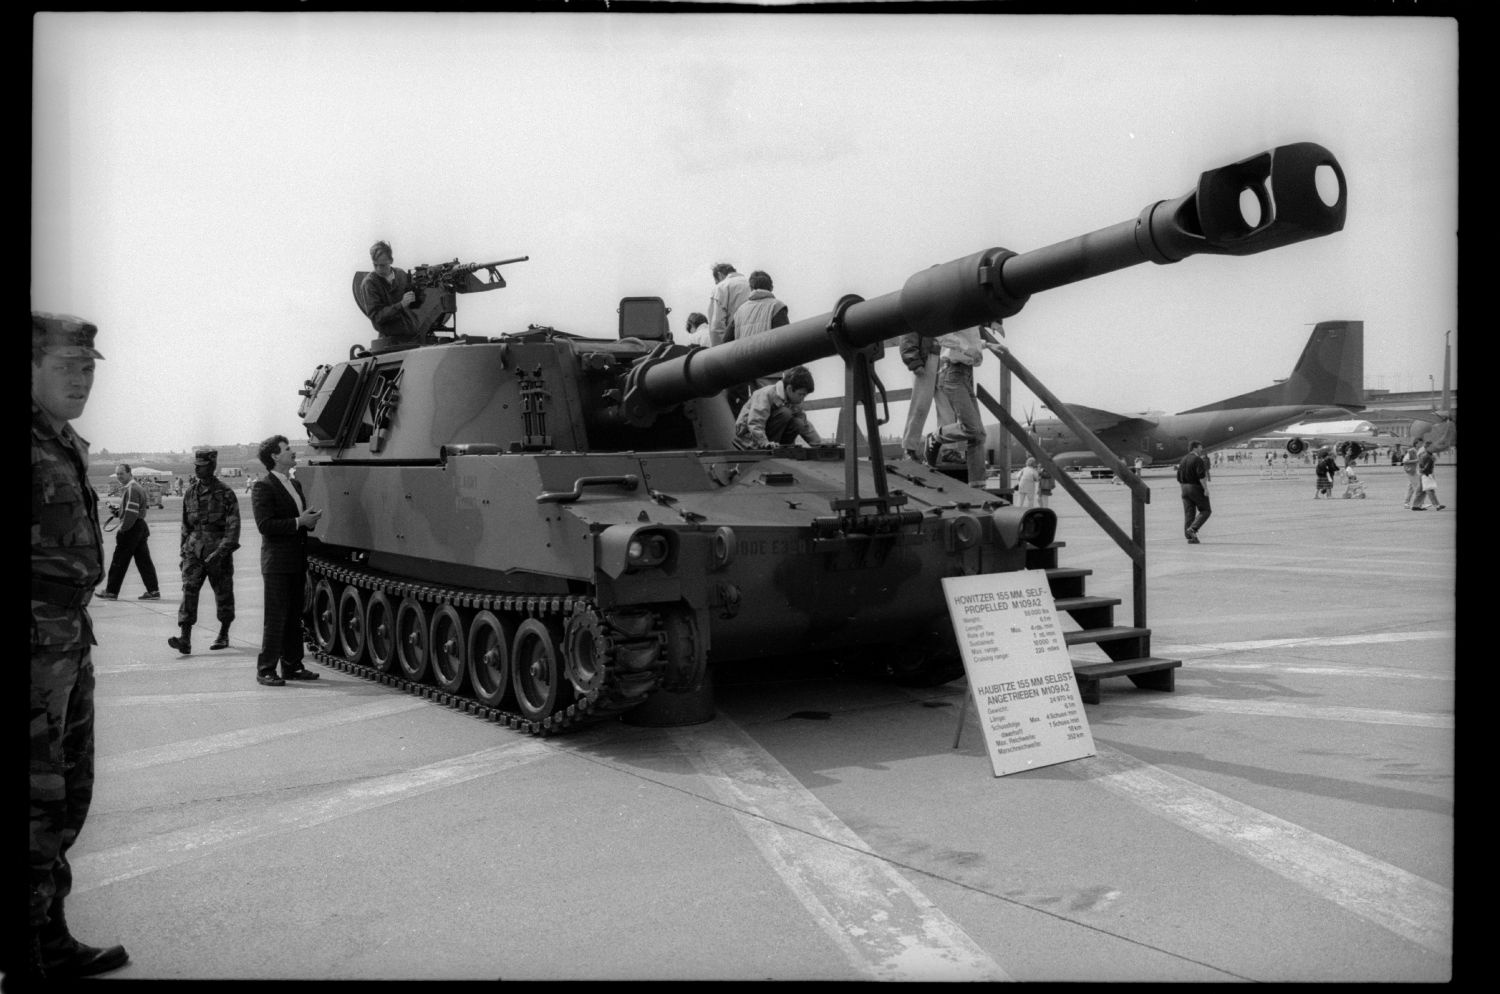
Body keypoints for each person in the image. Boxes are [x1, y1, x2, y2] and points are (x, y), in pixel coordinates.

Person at [30, 311, 130, 980]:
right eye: (69, 366)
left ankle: (45, 932)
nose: (83, 378)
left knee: (64, 794)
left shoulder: (62, 441)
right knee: (36, 798)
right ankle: (33, 951)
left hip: (67, 637)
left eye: (90, 367)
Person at [252, 435, 324, 686]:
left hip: (295, 560)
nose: (292, 452)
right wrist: (298, 522)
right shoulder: (264, 486)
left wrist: (308, 521)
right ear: (274, 456)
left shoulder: (295, 484)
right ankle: (266, 669)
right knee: (276, 617)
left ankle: (292, 665)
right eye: (287, 449)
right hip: (277, 564)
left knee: (294, 615)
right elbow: (265, 525)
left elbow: (298, 521)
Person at [169, 448, 241, 655]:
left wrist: (221, 552)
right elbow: (185, 526)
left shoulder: (225, 493)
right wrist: (183, 554)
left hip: (218, 553)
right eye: (196, 466)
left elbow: (233, 529)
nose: (197, 469)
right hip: (194, 552)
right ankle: (185, 638)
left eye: (201, 466)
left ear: (212, 466)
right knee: (188, 592)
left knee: (223, 594)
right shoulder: (190, 492)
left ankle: (224, 633)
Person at [922, 324, 994, 486]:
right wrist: (967, 348)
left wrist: (987, 345)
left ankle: (978, 486)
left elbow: (966, 340)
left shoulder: (971, 317)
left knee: (978, 435)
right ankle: (935, 437)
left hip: (966, 374)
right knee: (972, 428)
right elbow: (940, 335)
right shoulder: (958, 310)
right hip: (952, 374)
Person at [723, 270, 790, 407]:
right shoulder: (776, 306)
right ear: (771, 287)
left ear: (751, 288)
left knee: (754, 411)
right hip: (769, 368)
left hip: (745, 368)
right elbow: (787, 340)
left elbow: (726, 340)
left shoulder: (740, 310)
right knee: (772, 409)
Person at [98, 463, 161, 600]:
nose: (119, 477)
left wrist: (123, 529)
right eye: (117, 474)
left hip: (131, 529)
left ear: (129, 473)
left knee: (119, 560)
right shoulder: (136, 487)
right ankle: (153, 591)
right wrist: (118, 512)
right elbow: (132, 509)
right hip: (139, 527)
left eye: (121, 473)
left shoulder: (132, 489)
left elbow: (131, 513)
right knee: (144, 561)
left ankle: (111, 591)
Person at [733, 366, 825, 450]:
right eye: (801, 394)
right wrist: (764, 442)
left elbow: (805, 425)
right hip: (749, 437)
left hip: (769, 435)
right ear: (789, 389)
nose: (802, 398)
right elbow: (755, 422)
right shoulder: (766, 394)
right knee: (785, 413)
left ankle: (784, 448)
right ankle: (764, 447)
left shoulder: (794, 401)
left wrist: (819, 445)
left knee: (799, 422)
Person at [359, 240, 419, 350]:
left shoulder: (400, 275)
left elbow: (415, 304)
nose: (378, 269)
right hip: (390, 343)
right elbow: (377, 316)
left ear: (391, 260)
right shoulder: (369, 283)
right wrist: (401, 305)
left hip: (412, 337)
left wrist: (419, 290)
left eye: (382, 265)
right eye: (375, 265)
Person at [898, 330, 944, 460]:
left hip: (948, 357)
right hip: (927, 357)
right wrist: (913, 361)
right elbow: (908, 332)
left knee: (948, 407)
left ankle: (949, 450)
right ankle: (909, 448)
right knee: (920, 405)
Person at [706, 262, 752, 348]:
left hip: (735, 344)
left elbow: (716, 326)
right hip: (758, 340)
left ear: (719, 275)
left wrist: (718, 351)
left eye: (716, 281)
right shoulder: (751, 283)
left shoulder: (720, 287)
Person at [1176, 440, 1211, 544]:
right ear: (1195, 448)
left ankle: (1190, 536)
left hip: (1184, 488)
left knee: (1189, 513)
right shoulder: (1197, 460)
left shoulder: (1183, 460)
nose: (1202, 449)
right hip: (1195, 487)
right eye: (1200, 447)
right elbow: (1201, 476)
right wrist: (1205, 489)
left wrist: (1184, 489)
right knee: (1206, 510)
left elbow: (1178, 477)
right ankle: (1193, 529)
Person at [1412, 443, 1446, 511]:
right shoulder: (1427, 456)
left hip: (1423, 474)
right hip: (1425, 474)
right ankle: (1437, 505)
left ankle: (1415, 506)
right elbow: (1425, 467)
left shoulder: (1427, 455)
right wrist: (1428, 474)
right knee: (1430, 490)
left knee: (1421, 491)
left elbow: (1421, 465)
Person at [1400, 442, 1421, 508]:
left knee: (1411, 488)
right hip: (1411, 471)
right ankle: (1419, 504)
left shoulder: (1419, 451)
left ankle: (1406, 503)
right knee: (1418, 487)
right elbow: (1404, 461)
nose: (1422, 444)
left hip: (1415, 471)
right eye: (1420, 443)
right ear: (1416, 444)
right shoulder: (1411, 451)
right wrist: (1416, 460)